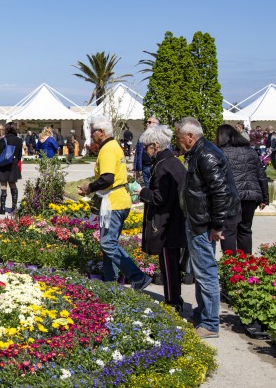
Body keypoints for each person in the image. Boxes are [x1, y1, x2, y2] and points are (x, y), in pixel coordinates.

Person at [175, 117, 241, 339]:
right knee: (200, 270)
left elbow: (220, 192)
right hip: (198, 221)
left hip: (204, 224)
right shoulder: (199, 152)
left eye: (180, 137)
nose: (178, 142)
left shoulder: (206, 154)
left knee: (206, 272)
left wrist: (217, 225)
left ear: (191, 136)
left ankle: (210, 323)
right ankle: (202, 313)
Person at [78, 116, 151, 289]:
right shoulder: (112, 146)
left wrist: (90, 187)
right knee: (109, 244)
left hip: (114, 202)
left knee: (108, 243)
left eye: (93, 131)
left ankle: (138, 277)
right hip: (118, 200)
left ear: (101, 132)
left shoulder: (108, 149)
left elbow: (107, 178)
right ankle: (110, 283)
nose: (92, 135)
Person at [138, 125, 187, 313]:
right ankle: (174, 297)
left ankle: (172, 301)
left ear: (156, 146)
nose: (146, 151)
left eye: (148, 147)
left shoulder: (162, 166)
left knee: (168, 264)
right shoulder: (173, 162)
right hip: (175, 220)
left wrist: (141, 191)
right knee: (172, 263)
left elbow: (159, 197)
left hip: (167, 223)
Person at [215, 124, 268, 255]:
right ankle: (244, 265)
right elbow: (261, 175)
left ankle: (230, 264)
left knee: (228, 230)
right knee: (245, 229)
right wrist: (265, 198)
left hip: (231, 196)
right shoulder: (250, 150)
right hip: (251, 196)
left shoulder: (220, 152)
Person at [0, 121, 23, 214]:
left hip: (3, 164)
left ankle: (2, 208)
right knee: (13, 185)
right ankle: (14, 207)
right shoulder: (19, 140)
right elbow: (19, 155)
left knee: (3, 185)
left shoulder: (4, 139)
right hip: (13, 165)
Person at [133, 116, 159, 186]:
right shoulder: (142, 136)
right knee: (147, 188)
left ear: (156, 124)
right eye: (146, 122)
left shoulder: (160, 137)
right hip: (145, 167)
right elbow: (137, 153)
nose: (147, 124)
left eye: (149, 122)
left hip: (156, 167)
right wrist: (136, 169)